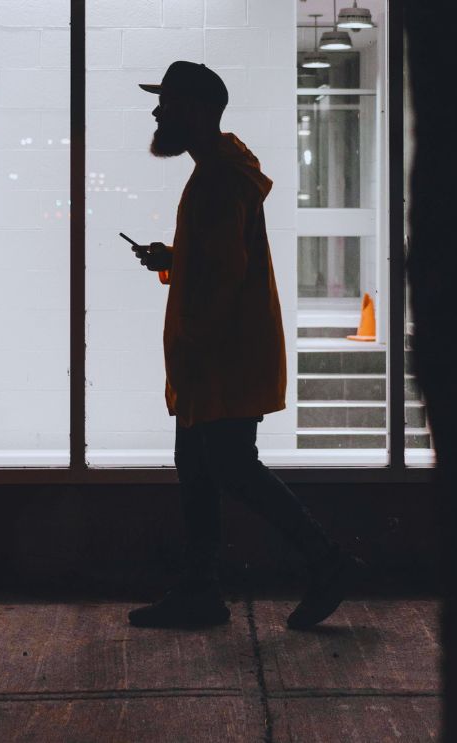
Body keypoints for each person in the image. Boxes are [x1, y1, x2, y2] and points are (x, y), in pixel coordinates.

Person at [126, 61, 362, 630]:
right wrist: (173, 261)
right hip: (215, 357)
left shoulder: (216, 181)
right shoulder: (223, 173)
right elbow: (217, 263)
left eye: (169, 102)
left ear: (199, 111)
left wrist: (194, 341)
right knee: (201, 469)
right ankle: (201, 590)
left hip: (217, 359)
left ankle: (326, 562)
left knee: (230, 467)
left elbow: (225, 274)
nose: (158, 112)